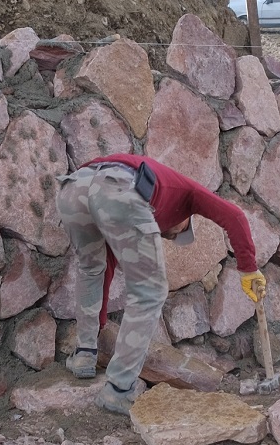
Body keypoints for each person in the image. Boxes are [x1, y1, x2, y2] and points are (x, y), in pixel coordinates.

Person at [56, 155, 264, 415]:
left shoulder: (155, 200)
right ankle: (119, 389)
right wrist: (248, 268)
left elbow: (105, 271)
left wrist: (97, 331)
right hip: (117, 187)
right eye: (179, 231)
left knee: (91, 269)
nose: (173, 234)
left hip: (74, 188)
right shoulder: (187, 193)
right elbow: (234, 216)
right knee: (150, 292)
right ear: (186, 216)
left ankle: (84, 354)